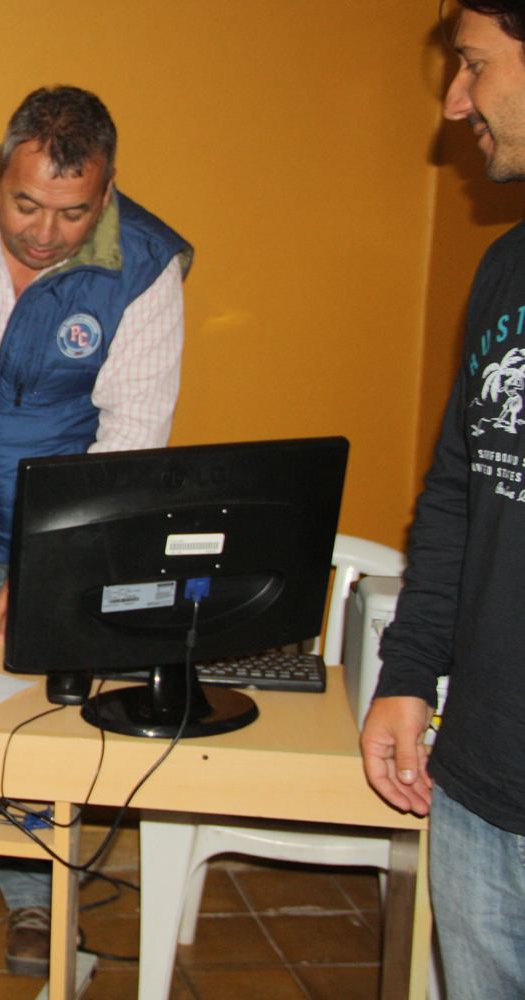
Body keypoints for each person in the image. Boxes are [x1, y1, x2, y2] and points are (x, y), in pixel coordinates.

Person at [0, 86, 193, 974]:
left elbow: (132, 436)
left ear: (107, 190)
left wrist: (54, 560)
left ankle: (35, 895)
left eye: (72, 211)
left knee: (36, 722)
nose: (46, 232)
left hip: (57, 525)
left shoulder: (144, 265)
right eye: (25, 204)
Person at [360, 4, 525, 997]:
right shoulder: (505, 265)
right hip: (477, 788)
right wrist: (409, 669)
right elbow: (459, 490)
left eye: (473, 65)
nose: (454, 102)